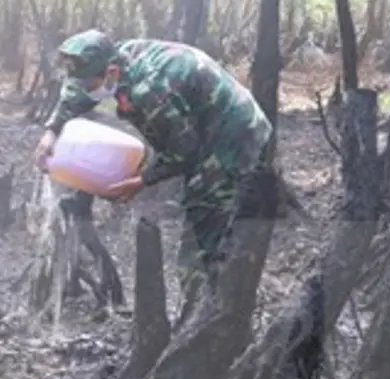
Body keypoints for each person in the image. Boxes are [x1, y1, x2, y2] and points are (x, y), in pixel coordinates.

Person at [34, 29, 275, 304]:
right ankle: (212, 304)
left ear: (111, 73)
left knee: (201, 240)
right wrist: (52, 130)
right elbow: (75, 90)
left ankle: (209, 319)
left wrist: (141, 181)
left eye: (91, 84)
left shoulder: (150, 90)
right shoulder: (112, 59)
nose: (86, 90)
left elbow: (183, 152)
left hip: (235, 137)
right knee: (208, 226)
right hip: (205, 125)